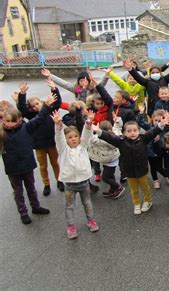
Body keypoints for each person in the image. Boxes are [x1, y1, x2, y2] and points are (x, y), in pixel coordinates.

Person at [0, 95, 56, 224]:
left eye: (12, 121)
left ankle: (35, 207)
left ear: (19, 119)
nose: (9, 124)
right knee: (18, 192)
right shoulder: (1, 133)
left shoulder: (27, 127)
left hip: (27, 165)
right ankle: (23, 213)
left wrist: (46, 105)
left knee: (31, 188)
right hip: (13, 168)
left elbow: (40, 118)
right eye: (7, 121)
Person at [95, 119, 166, 215]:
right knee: (134, 190)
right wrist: (99, 131)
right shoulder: (121, 141)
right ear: (124, 133)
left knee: (145, 187)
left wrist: (161, 125)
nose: (132, 133)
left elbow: (152, 132)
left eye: (135, 130)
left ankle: (148, 201)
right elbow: (109, 137)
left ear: (139, 130)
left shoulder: (143, 139)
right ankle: (136, 204)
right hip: (129, 172)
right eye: (129, 131)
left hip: (142, 171)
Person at [52, 111, 99, 239]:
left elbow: (87, 134)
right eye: (70, 137)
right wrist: (58, 125)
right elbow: (59, 138)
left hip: (84, 182)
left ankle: (91, 221)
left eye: (75, 136)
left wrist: (89, 122)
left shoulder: (83, 146)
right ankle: (71, 226)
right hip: (69, 184)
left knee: (87, 203)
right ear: (66, 140)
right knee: (69, 206)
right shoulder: (63, 150)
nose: (73, 139)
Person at [16, 79, 63, 196]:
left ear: (41, 102)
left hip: (52, 142)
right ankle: (46, 184)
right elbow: (22, 108)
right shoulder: (31, 115)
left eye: (38, 103)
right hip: (39, 145)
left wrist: (54, 89)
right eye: (33, 106)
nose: (36, 106)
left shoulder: (50, 110)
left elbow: (57, 102)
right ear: (31, 108)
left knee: (56, 163)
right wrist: (22, 94)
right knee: (43, 166)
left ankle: (59, 180)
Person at [87, 114, 125, 199]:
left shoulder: (102, 140)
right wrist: (117, 119)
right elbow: (118, 126)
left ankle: (118, 187)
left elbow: (92, 139)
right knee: (111, 176)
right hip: (111, 159)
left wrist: (90, 128)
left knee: (105, 177)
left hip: (109, 161)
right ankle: (113, 189)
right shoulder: (115, 133)